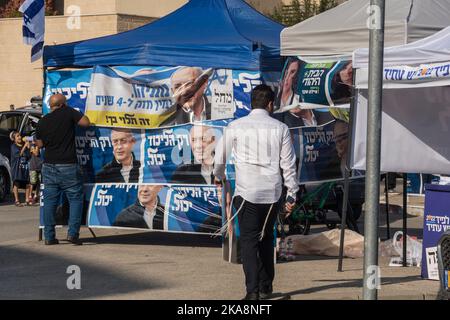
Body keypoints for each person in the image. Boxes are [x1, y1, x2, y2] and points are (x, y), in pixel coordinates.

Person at [213, 84, 299, 300]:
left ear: (252, 104)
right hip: (272, 193)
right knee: (267, 238)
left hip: (247, 192)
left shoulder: (235, 126)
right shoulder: (281, 128)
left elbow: (219, 159)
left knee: (250, 241)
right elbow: (288, 164)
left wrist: (219, 176)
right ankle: (266, 285)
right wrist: (292, 193)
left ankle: (252, 292)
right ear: (270, 104)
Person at [35, 93, 90, 245]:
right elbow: (86, 122)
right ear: (63, 104)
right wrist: (71, 110)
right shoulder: (68, 112)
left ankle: (49, 237)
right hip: (68, 165)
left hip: (49, 166)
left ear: (51, 106)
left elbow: (39, 144)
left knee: (50, 202)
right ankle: (73, 234)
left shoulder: (42, 121)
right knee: (75, 199)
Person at [10, 131, 31, 206]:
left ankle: (27, 199)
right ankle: (17, 200)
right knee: (16, 183)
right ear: (13, 139)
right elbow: (19, 154)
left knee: (27, 183)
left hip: (25, 167)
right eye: (17, 136)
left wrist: (28, 147)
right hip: (17, 168)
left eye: (20, 136)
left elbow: (29, 156)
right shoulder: (13, 147)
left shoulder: (23, 145)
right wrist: (25, 146)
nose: (20, 137)